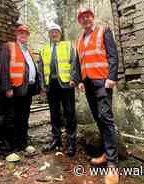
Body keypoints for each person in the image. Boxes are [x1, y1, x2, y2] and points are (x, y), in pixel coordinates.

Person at [76, 8, 128, 184]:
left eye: (88, 16)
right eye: (82, 18)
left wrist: (112, 77)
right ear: (79, 21)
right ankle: (107, 153)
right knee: (99, 118)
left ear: (93, 18)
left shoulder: (103, 31)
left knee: (106, 118)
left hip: (102, 82)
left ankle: (113, 165)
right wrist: (80, 80)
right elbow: (79, 62)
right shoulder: (80, 40)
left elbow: (113, 55)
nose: (86, 19)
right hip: (88, 83)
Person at [0, 24, 41, 152]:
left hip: (27, 88)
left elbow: (31, 68)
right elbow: (4, 68)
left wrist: (38, 86)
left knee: (24, 116)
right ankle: (8, 148)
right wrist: (7, 87)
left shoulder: (28, 50)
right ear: (16, 34)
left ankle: (23, 143)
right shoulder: (9, 47)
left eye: (26, 33)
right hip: (14, 88)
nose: (23, 35)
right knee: (11, 117)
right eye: (21, 33)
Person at [39, 23, 79, 157]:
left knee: (69, 112)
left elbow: (74, 61)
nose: (54, 34)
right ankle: (56, 140)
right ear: (49, 35)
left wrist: (74, 78)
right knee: (54, 113)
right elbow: (40, 68)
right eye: (51, 32)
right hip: (51, 84)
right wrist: (43, 85)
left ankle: (71, 142)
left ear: (60, 34)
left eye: (56, 32)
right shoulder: (44, 50)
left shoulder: (67, 46)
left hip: (66, 83)